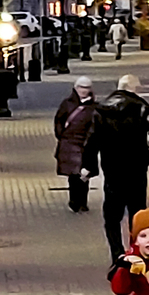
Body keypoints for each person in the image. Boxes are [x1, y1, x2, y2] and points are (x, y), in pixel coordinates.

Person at [84, 73, 149, 261]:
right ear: (133, 88)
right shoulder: (140, 108)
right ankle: (138, 252)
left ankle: (117, 254)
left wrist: (89, 165)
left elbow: (91, 140)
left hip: (112, 167)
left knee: (112, 216)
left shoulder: (102, 110)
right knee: (137, 212)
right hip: (137, 167)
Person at [53, 77, 98, 213]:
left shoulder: (94, 107)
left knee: (84, 174)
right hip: (70, 143)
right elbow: (58, 121)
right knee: (73, 175)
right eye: (81, 88)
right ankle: (75, 201)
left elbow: (96, 125)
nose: (83, 91)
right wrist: (62, 135)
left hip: (85, 144)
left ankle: (82, 201)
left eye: (86, 88)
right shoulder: (67, 104)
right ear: (76, 88)